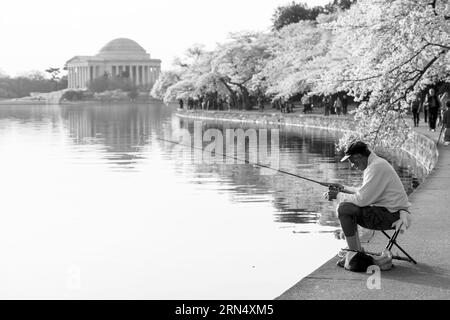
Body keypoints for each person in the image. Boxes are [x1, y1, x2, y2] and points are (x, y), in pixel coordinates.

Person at [324, 141, 411, 270]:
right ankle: (356, 252)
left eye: (353, 161)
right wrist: (343, 189)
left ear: (359, 156)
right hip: (391, 213)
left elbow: (362, 200)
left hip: (391, 217)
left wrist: (337, 195)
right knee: (348, 207)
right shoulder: (377, 164)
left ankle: (354, 254)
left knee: (344, 209)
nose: (353, 166)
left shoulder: (375, 167)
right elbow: (366, 192)